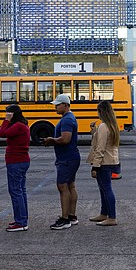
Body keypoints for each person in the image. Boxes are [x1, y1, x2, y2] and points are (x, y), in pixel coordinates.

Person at [44, 94, 81, 230]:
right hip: (70, 157)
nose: (55, 107)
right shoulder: (69, 117)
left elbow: (65, 139)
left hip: (66, 158)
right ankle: (72, 215)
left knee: (62, 186)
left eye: (58, 104)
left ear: (65, 105)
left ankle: (65, 219)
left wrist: (51, 140)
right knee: (71, 186)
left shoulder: (66, 120)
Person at [86, 100, 120, 227]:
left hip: (103, 162)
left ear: (101, 112)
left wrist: (95, 166)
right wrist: (94, 132)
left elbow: (100, 148)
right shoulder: (112, 125)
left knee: (106, 189)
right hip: (112, 160)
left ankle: (111, 216)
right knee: (103, 188)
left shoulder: (103, 126)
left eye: (98, 111)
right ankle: (104, 213)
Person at [0, 104, 31, 232]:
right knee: (21, 191)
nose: (6, 115)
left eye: (8, 113)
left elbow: (1, 133)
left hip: (16, 161)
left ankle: (21, 221)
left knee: (15, 191)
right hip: (22, 160)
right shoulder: (23, 125)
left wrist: (6, 120)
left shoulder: (18, 126)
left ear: (12, 114)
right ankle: (21, 218)